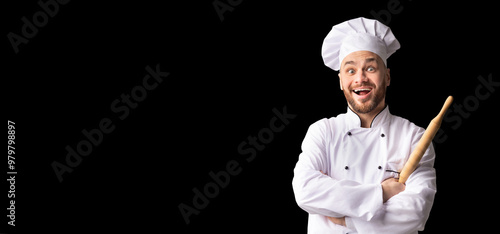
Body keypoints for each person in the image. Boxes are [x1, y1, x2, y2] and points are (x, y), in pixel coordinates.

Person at [292, 17, 436, 233]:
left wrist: (347, 219)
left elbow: (415, 212)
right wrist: (382, 194)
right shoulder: (323, 131)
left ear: (387, 77)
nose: (360, 78)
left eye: (370, 68)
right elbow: (305, 191)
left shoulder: (414, 137)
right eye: (351, 71)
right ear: (341, 81)